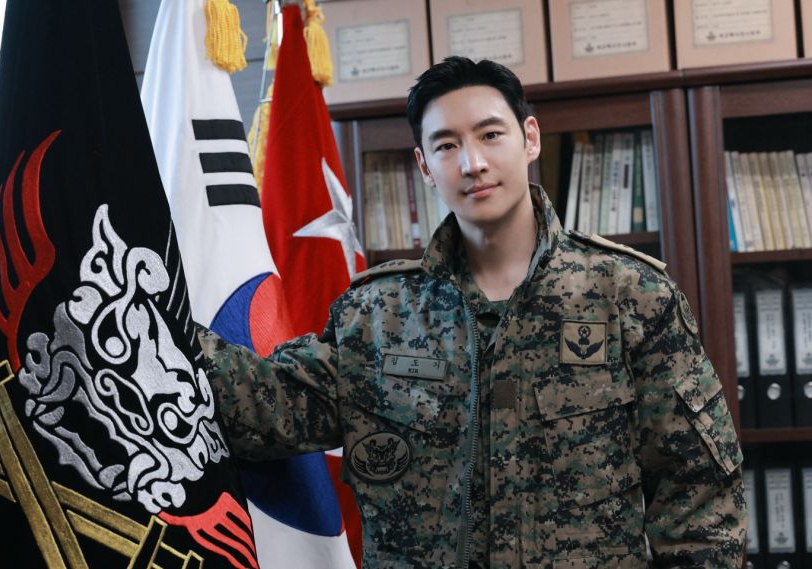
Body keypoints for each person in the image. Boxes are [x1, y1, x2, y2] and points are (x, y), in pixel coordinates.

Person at [199, 56, 745, 568]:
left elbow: (698, 489)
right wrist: (156, 318)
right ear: (424, 166)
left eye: (490, 135)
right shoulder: (375, 316)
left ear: (530, 138)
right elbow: (263, 408)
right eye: (446, 145)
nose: (473, 163)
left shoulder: (628, 295)